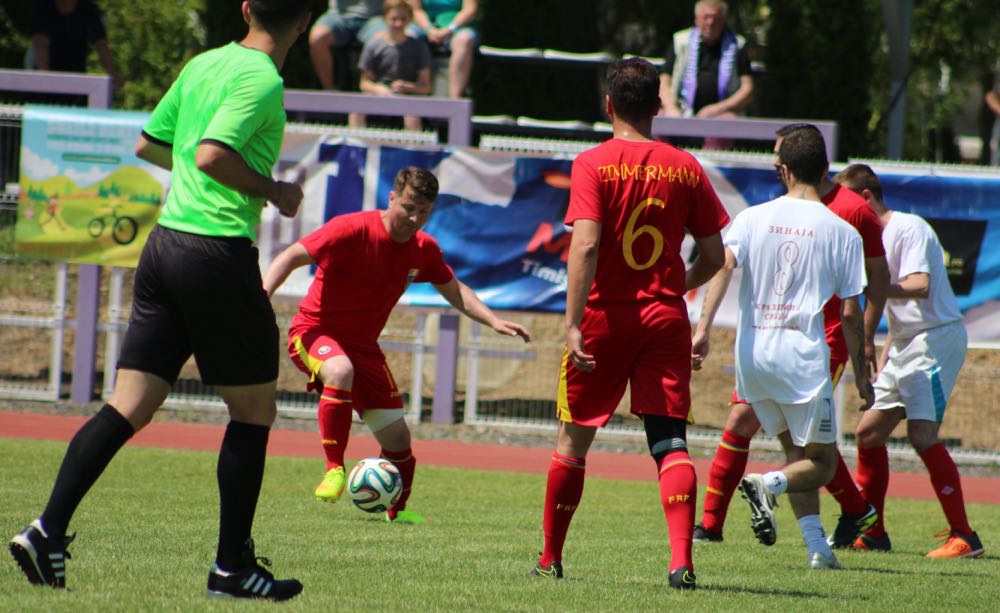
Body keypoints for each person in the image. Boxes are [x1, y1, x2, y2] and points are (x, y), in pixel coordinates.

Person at [9, 0, 310, 601]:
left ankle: (46, 530)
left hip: (165, 247)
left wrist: (201, 173)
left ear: (246, 8)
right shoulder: (263, 78)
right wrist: (274, 189)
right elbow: (210, 154)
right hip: (215, 252)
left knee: (129, 406)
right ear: (304, 20)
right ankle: (230, 569)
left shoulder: (204, 64)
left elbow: (151, 145)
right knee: (253, 412)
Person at [531, 58, 728, 590]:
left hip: (604, 317)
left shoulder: (594, 162)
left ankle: (550, 559)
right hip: (665, 317)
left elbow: (587, 243)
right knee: (670, 442)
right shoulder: (686, 167)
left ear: (609, 105)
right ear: (658, 107)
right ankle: (681, 560)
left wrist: (573, 323)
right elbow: (715, 254)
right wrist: (674, 284)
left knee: (573, 442)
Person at [263, 166, 530, 525]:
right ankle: (333, 469)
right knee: (340, 370)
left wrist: (494, 321)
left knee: (400, 443)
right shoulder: (350, 228)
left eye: (424, 211)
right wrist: (261, 296)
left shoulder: (424, 249)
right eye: (408, 207)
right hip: (314, 331)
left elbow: (455, 290)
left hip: (364, 348)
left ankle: (396, 513)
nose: (414, 218)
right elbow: (291, 256)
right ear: (391, 198)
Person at [691, 123, 889, 549]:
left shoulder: (754, 216)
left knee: (780, 438)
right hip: (804, 355)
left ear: (783, 169)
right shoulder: (841, 230)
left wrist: (702, 329)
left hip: (755, 354)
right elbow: (853, 309)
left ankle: (822, 543)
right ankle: (771, 488)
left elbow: (722, 265)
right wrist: (863, 372)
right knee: (813, 458)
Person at [834, 164, 985, 558]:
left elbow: (919, 285)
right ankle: (875, 533)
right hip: (906, 345)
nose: (840, 209)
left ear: (865, 198)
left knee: (921, 435)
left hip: (935, 340)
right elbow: (888, 307)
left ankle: (965, 536)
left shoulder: (909, 227)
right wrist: (881, 350)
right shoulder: (870, 240)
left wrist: (871, 286)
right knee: (868, 433)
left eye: (846, 200)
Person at [658, 0, 752, 119]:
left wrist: (718, 109)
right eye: (706, 17)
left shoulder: (738, 44)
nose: (710, 22)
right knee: (659, 119)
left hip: (722, 113)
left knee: (727, 121)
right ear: (697, 19)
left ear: (724, 21)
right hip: (680, 110)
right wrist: (670, 107)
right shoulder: (680, 41)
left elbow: (747, 89)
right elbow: (664, 79)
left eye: (716, 18)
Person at [352, 0, 432, 131]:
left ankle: (410, 150)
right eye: (394, 19)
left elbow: (425, 87)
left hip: (407, 97)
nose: (398, 23)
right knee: (356, 110)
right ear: (384, 19)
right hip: (378, 94)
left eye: (403, 19)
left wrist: (406, 87)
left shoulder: (419, 47)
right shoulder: (374, 45)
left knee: (412, 117)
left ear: (410, 20)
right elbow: (364, 83)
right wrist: (380, 90)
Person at [29, 0, 123, 90]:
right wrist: (45, 79)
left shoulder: (88, 10)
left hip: (77, 77)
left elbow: (101, 46)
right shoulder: (43, 8)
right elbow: (41, 45)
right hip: (45, 76)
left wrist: (113, 75)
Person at [407, 0, 478, 99]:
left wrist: (450, 29)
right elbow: (415, 10)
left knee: (464, 40)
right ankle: (410, 95)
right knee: (408, 37)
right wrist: (429, 30)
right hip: (424, 27)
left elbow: (470, 10)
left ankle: (454, 100)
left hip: (456, 28)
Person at [309, 0, 385, 90]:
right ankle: (329, 90)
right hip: (338, 15)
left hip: (374, 18)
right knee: (318, 38)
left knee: (383, 40)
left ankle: (374, 89)